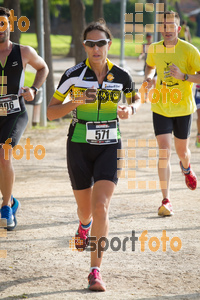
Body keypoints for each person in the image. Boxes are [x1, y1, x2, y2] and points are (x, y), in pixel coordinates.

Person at [47, 19, 140, 291]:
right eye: (91, 43)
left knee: (101, 207)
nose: (96, 48)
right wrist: (76, 100)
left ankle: (95, 270)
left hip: (111, 144)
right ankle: (83, 224)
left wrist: (129, 111)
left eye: (101, 43)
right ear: (84, 46)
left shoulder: (122, 75)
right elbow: (51, 112)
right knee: (86, 209)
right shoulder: (73, 75)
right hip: (78, 144)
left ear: (109, 44)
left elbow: (135, 100)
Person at [144, 11, 200, 216]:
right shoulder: (155, 49)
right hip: (160, 106)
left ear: (178, 28)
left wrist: (184, 76)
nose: (167, 30)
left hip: (183, 108)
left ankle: (186, 168)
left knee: (182, 152)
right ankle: (166, 200)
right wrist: (150, 78)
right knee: (164, 151)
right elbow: (150, 66)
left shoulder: (189, 51)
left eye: (171, 26)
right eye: (164, 26)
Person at [0, 7, 49, 230]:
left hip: (15, 113)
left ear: (10, 24)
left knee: (4, 153)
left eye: (3, 23)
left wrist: (34, 90)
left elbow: (43, 68)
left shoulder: (23, 52)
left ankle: (6, 207)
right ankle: (11, 200)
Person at [138, 33, 157, 100]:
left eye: (150, 37)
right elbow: (142, 53)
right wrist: (140, 57)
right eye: (148, 37)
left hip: (154, 65)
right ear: (146, 38)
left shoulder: (154, 45)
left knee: (154, 80)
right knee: (147, 81)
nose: (149, 38)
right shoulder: (144, 45)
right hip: (147, 65)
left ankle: (155, 94)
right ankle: (146, 95)